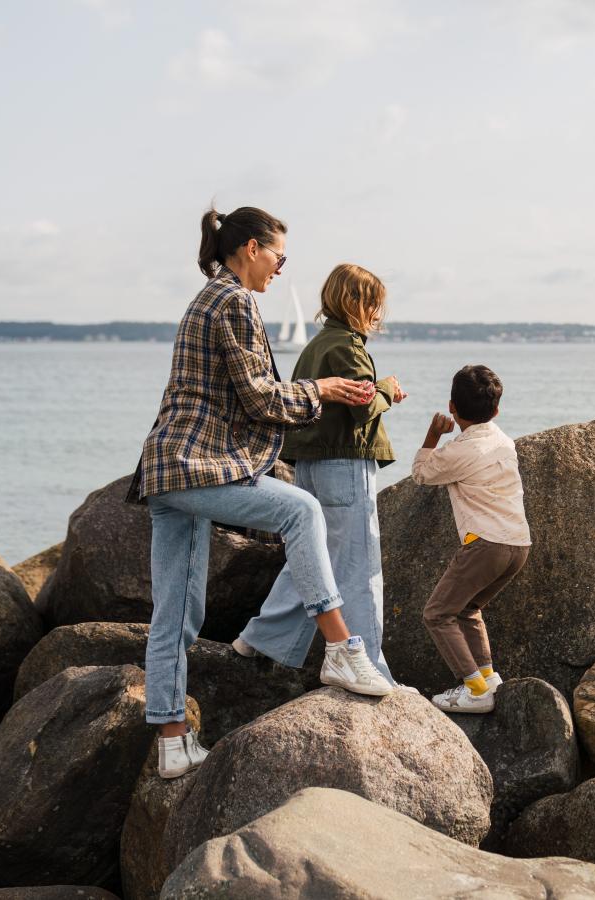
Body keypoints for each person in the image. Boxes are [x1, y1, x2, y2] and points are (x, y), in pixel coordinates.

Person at [130, 205, 395, 780]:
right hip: (197, 468)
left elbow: (235, 396)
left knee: (175, 612)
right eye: (279, 256)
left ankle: (173, 742)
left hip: (165, 470)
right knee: (302, 509)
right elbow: (258, 397)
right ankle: (343, 652)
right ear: (251, 249)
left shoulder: (206, 298)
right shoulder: (235, 300)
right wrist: (321, 388)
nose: (280, 268)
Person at [233, 263, 405, 684]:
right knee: (358, 567)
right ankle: (370, 668)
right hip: (344, 462)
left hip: (311, 461)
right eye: (374, 306)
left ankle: (259, 637)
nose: (378, 316)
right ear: (355, 304)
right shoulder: (346, 346)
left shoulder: (315, 346)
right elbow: (363, 405)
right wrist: (388, 389)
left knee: (312, 558)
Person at [411, 365, 531, 713]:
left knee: (437, 614)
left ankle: (475, 690)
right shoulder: (503, 440)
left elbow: (421, 473)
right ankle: (488, 676)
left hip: (486, 545)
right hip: (519, 545)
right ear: (496, 410)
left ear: (452, 407)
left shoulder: (458, 451)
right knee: (468, 608)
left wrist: (433, 435)